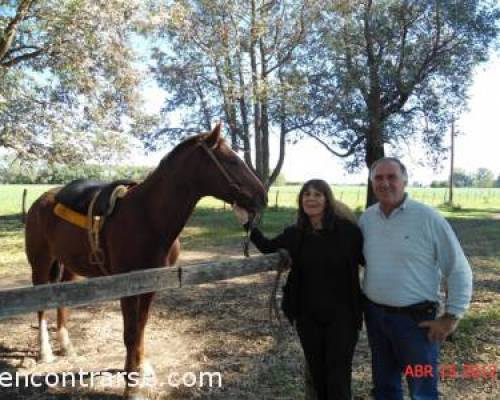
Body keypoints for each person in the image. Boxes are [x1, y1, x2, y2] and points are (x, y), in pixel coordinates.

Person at [233, 179, 363, 400]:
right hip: (307, 315)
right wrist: (247, 222)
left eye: (318, 194)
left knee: (338, 377)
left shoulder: (348, 232)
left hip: (342, 316)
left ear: (327, 199)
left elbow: (368, 259)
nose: (311, 199)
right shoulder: (295, 233)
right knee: (318, 375)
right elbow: (266, 247)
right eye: (306, 194)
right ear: (301, 200)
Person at [359, 157, 473, 400]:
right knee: (385, 385)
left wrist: (452, 316)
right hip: (376, 318)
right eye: (379, 178)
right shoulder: (367, 219)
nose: (385, 183)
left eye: (392, 177)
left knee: (422, 389)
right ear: (371, 183)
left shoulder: (427, 218)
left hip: (416, 323)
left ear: (405, 181)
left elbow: (458, 268)